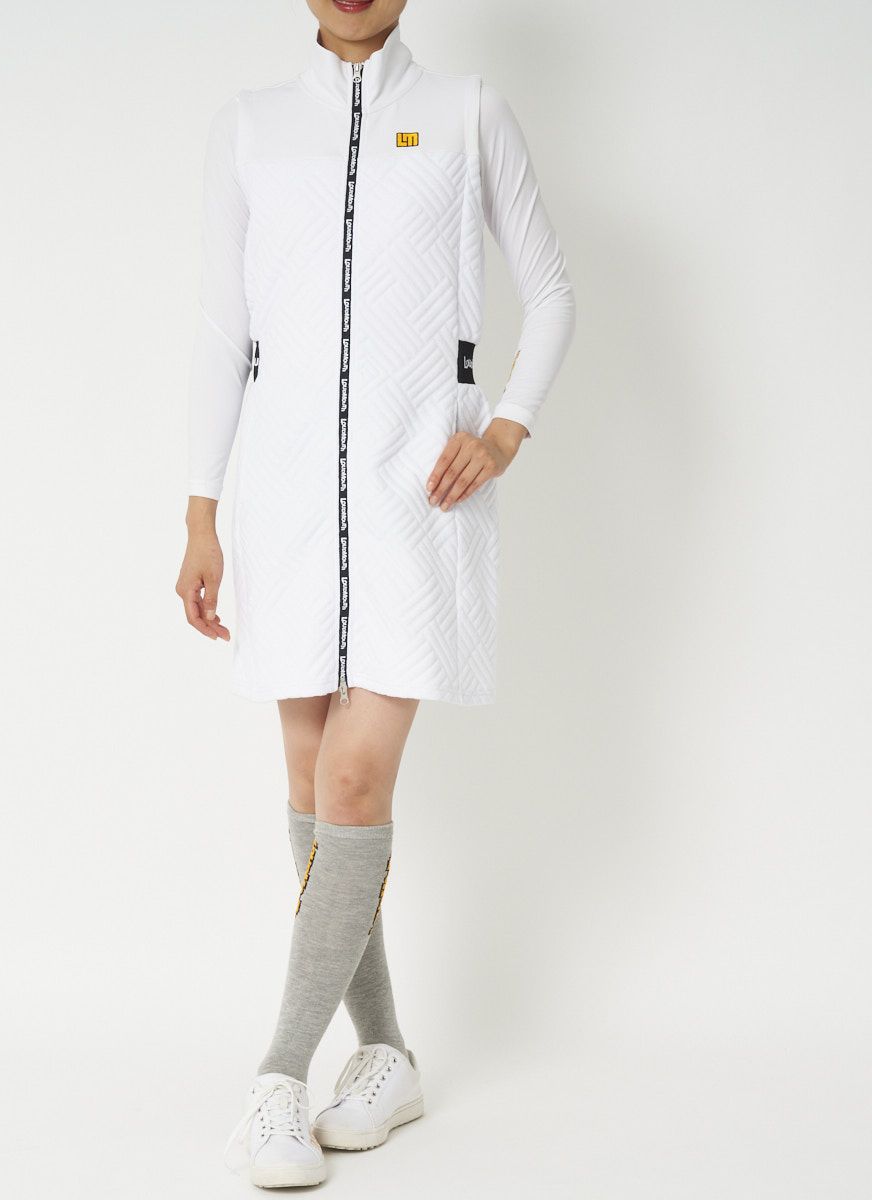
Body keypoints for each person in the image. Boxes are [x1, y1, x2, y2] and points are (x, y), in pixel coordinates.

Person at [176, 0, 575, 1188]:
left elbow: (551, 290)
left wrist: (503, 429)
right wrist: (200, 512)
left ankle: (276, 1078)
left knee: (354, 783)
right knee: (313, 793)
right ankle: (388, 1053)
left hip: (417, 505)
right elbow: (223, 331)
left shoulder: (466, 115)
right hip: (288, 509)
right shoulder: (251, 127)